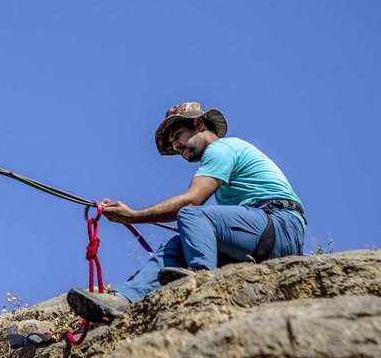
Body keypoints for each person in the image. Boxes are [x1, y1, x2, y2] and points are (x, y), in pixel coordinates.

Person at [67, 101, 307, 324]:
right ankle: (122, 300)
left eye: (177, 135)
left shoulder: (222, 149)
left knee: (191, 214)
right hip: (262, 233)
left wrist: (133, 216)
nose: (176, 145)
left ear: (199, 125)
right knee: (176, 244)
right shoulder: (223, 158)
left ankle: (200, 279)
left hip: (279, 224)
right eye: (172, 142)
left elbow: (192, 201)